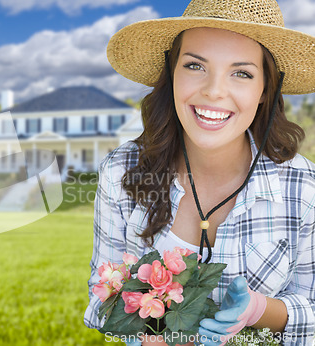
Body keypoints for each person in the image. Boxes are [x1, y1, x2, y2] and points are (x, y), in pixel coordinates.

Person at [84, 0, 315, 345]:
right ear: (171, 73)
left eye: (242, 73)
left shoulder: (304, 186)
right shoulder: (121, 171)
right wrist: (146, 337)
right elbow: (100, 299)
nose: (213, 91)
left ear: (266, 88)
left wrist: (259, 310)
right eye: (195, 65)